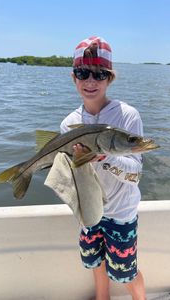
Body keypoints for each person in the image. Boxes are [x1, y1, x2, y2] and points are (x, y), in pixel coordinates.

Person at [60, 36, 146, 300]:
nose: (90, 81)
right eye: (82, 73)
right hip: (89, 212)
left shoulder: (127, 116)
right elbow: (72, 176)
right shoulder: (68, 124)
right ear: (73, 77)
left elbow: (135, 175)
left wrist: (105, 157)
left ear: (110, 78)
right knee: (94, 263)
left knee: (124, 272)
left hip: (120, 212)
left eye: (99, 74)